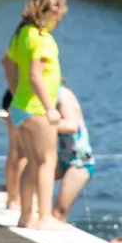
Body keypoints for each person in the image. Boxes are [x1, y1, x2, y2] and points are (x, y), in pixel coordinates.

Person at [1, 0, 67, 230]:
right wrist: (51, 107)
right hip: (38, 109)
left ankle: (26, 216)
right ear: (51, 10)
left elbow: (6, 61)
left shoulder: (22, 33)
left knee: (31, 161)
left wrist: (15, 91)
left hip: (20, 108)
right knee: (48, 161)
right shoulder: (42, 39)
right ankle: (45, 217)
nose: (59, 20)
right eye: (59, 14)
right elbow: (36, 75)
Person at [50, 84, 94, 223]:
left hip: (80, 162)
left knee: (59, 212)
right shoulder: (44, 97)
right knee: (30, 184)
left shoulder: (63, 94)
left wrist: (41, 125)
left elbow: (71, 126)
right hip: (61, 156)